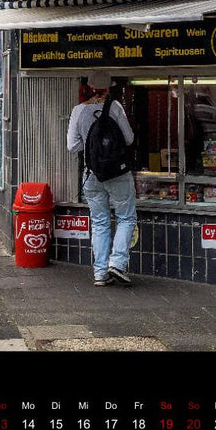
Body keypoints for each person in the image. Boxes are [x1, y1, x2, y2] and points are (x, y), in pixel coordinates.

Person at [66, 70, 137, 287]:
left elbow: (72, 146)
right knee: (126, 217)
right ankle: (117, 263)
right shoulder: (115, 108)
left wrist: (92, 148)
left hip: (92, 174)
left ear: (88, 87)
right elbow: (129, 138)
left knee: (99, 222)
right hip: (118, 173)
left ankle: (100, 273)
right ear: (108, 88)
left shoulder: (78, 111)